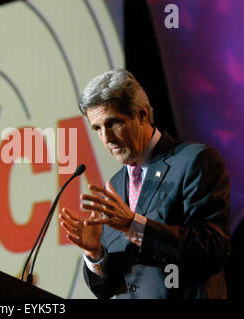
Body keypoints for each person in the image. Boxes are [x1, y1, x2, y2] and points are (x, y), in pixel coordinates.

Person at [59, 69, 230, 298]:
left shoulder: (194, 161)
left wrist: (133, 224)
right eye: (97, 128)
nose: (106, 138)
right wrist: (96, 253)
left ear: (141, 115)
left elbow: (213, 251)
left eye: (113, 123)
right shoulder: (115, 186)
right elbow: (108, 287)